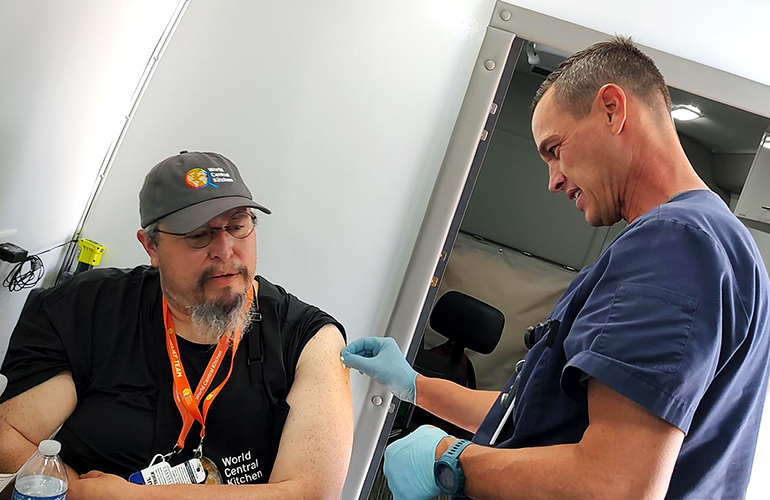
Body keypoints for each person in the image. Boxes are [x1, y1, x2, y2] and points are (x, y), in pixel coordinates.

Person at [343, 37, 770, 500]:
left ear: (612, 109)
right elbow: (534, 416)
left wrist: (452, 459)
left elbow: (616, 484)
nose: (553, 179)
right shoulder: (719, 242)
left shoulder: (676, 247)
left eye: (555, 149)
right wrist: (415, 386)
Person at [0, 151, 353, 500]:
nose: (226, 249)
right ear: (151, 246)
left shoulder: (310, 340)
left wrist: (127, 499)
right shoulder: (86, 308)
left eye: (238, 225)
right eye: (199, 234)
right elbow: (9, 433)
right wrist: (70, 490)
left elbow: (312, 492)